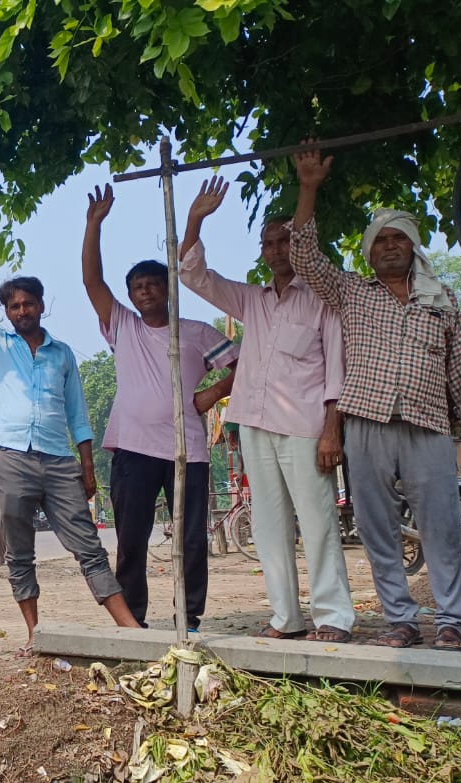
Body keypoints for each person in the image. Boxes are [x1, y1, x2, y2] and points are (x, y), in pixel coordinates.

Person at [290, 146, 461, 652]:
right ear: (369, 252)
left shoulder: (439, 301)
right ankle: (400, 619)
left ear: (414, 248)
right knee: (377, 526)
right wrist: (309, 187)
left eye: (399, 239)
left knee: (441, 522)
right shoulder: (353, 292)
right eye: (381, 242)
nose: (390, 247)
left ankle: (450, 622)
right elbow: (304, 257)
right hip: (367, 423)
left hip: (426, 423)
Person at [0, 213, 142, 653]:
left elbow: (78, 417)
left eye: (28, 304)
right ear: (8, 312)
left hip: (59, 461)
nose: (22, 311)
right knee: (20, 553)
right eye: (14, 306)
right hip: (12, 458)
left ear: (41, 304)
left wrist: (87, 467)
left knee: (87, 546)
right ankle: (35, 634)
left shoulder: (63, 355)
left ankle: (129, 628)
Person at [179, 176, 355, 643]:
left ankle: (333, 617)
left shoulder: (323, 301)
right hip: (254, 424)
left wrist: (331, 431)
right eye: (269, 244)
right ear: (262, 252)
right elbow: (195, 276)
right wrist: (196, 218)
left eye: (285, 241)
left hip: (304, 426)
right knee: (268, 524)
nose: (277, 251)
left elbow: (336, 373)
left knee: (317, 521)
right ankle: (285, 617)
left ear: (299, 246)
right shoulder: (252, 300)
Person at [82, 185, 238, 631]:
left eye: (153, 284)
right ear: (130, 296)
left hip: (188, 449)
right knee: (131, 539)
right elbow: (93, 282)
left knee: (190, 539)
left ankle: (189, 618)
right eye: (137, 286)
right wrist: (94, 225)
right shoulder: (122, 327)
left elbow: (246, 363)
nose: (145, 291)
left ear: (168, 288)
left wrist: (213, 394)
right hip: (132, 449)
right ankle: (134, 620)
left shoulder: (196, 331)